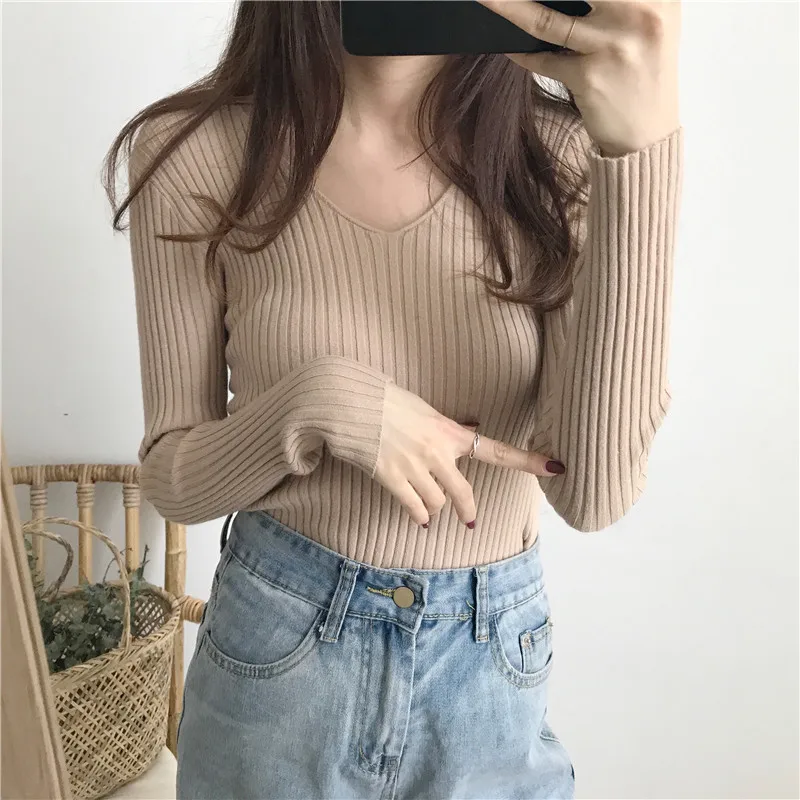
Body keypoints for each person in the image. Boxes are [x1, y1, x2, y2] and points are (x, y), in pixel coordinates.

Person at [105, 1, 683, 797]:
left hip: (488, 672)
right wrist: (324, 403)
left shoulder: (564, 162)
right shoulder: (198, 154)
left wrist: (641, 151)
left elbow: (593, 495)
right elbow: (174, 480)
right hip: (279, 652)